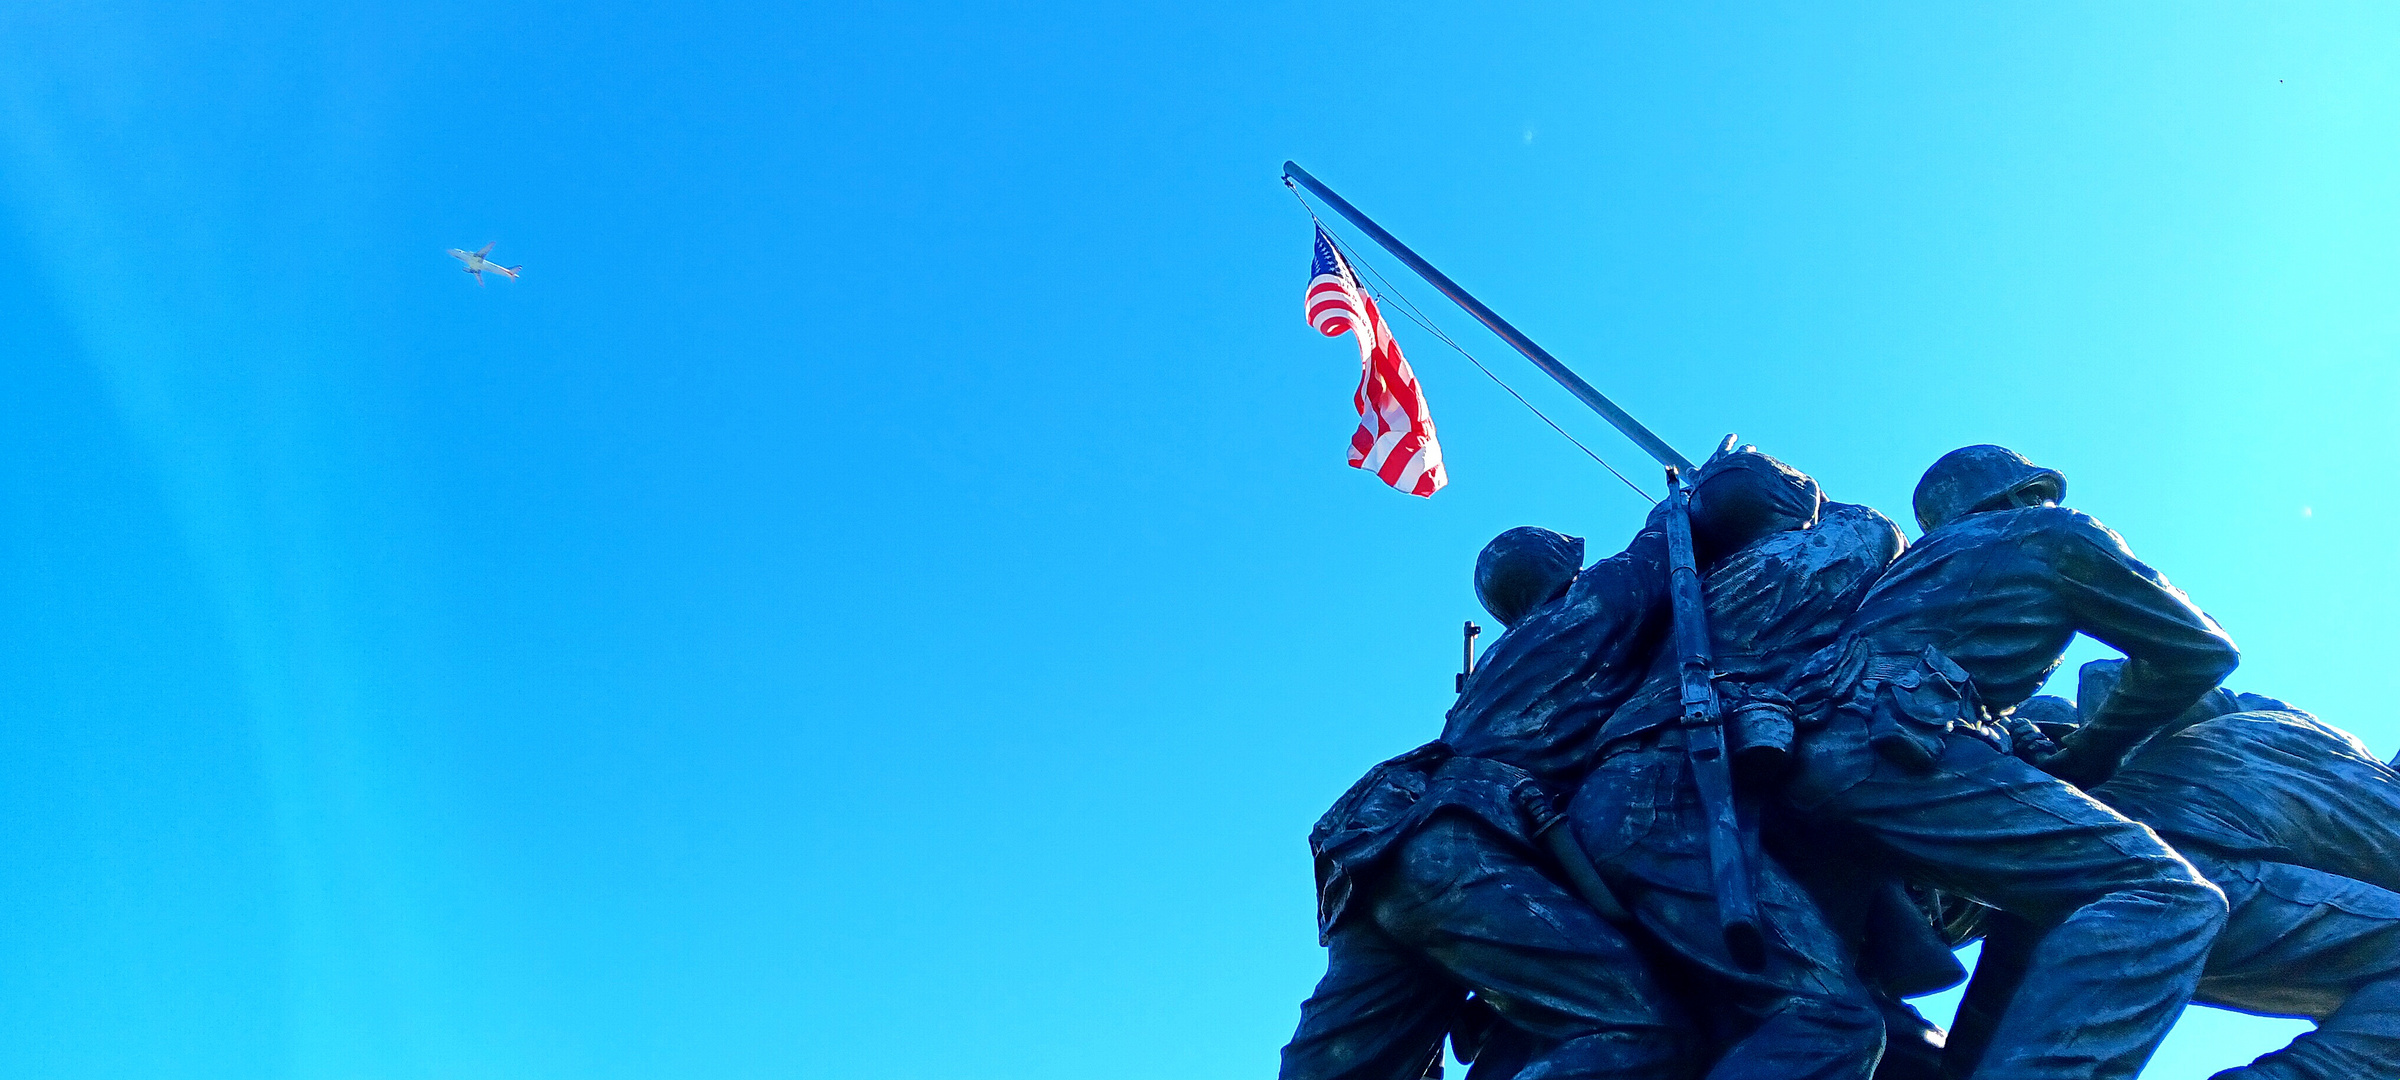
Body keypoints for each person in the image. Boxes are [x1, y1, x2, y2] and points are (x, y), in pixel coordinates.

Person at [1771, 445, 2237, 1080]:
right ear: (2020, 496)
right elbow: (2199, 651)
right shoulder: (2051, 530)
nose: (2051, 504)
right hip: (1898, 754)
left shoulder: (1905, 573)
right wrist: (2085, 757)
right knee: (2167, 895)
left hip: (1799, 760)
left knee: (2036, 904)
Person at [1281, 518, 1694, 1080]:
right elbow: (1666, 545)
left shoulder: (1492, 669)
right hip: (1455, 852)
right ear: (1562, 571)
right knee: (1644, 1028)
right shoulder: (1587, 605)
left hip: (1375, 862)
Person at [1567, 447, 1906, 1080]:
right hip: (1667, 793)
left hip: (1621, 792)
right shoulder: (1813, 555)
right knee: (1836, 1020)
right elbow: (1872, 528)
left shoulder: (1694, 584)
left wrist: (1700, 510)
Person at [1949, 668, 2400, 1080]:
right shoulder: (2294, 725)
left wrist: (2078, 754)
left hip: (2087, 855)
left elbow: (2114, 679)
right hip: (2171, 872)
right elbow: (2117, 681)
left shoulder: (2283, 718)